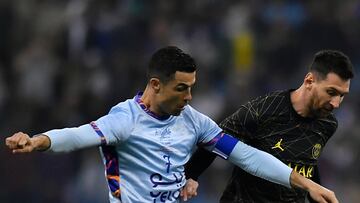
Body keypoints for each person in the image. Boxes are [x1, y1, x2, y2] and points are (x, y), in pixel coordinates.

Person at [5, 46, 338, 203]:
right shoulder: (125, 120)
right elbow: (77, 136)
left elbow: (245, 155)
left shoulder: (194, 121)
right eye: (181, 88)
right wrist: (37, 141)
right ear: (155, 85)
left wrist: (306, 184)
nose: (189, 96)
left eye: (192, 87)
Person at [183, 50, 354, 203]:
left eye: (342, 95)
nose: (336, 103)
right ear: (309, 81)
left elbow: (307, 163)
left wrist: (317, 191)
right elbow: (216, 139)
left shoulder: (328, 124)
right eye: (331, 92)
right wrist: (192, 174)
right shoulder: (265, 109)